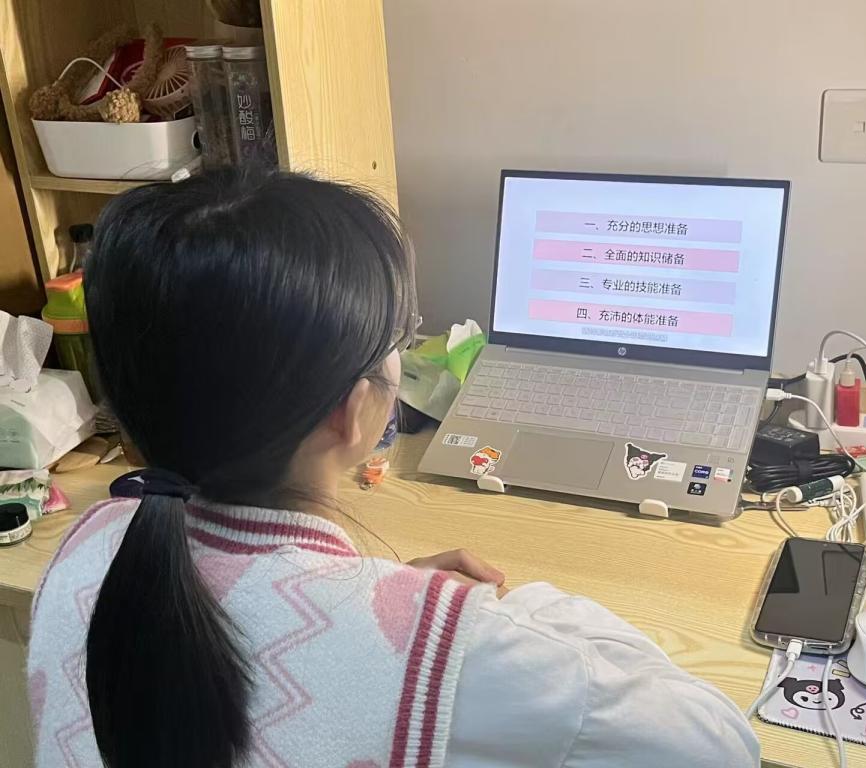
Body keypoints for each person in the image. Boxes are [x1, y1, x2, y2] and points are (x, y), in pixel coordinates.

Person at [28, 169, 758, 768]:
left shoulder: (90, 543)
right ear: (350, 413)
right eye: (399, 339)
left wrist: (385, 601)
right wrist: (514, 614)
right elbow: (718, 746)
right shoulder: (471, 655)